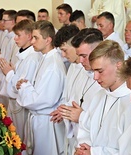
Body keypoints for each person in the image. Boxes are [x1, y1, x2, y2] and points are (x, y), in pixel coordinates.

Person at [75, 40, 131, 155]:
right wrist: (82, 149)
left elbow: (130, 150)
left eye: (100, 71)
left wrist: (94, 152)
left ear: (118, 66)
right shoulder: (99, 95)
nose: (95, 77)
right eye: (94, 71)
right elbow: (85, 128)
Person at [16, 20, 66, 155]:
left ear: (48, 40)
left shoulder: (53, 65)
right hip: (38, 120)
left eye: (35, 38)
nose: (32, 41)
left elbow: (42, 100)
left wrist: (25, 87)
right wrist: (26, 84)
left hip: (46, 123)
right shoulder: (45, 58)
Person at [56, 28, 103, 154]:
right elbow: (74, 99)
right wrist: (66, 110)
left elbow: (105, 122)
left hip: (93, 146)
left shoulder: (105, 82)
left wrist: (81, 117)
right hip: (78, 139)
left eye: (84, 56)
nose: (80, 61)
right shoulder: (83, 71)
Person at [0, 19, 41, 140]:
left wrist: (9, 72)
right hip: (15, 105)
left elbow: (22, 85)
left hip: (22, 108)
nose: (15, 39)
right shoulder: (23, 54)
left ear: (28, 36)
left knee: (21, 139)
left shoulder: (32, 58)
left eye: (18, 35)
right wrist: (11, 71)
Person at [51, 24, 82, 154]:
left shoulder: (92, 73)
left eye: (65, 50)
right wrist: (63, 109)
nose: (63, 55)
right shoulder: (73, 66)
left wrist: (75, 113)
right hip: (71, 127)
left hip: (83, 132)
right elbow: (68, 96)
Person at [0, 9, 18, 106]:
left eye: (5, 20)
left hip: (8, 74)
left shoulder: (15, 39)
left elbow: (13, 61)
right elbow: (3, 56)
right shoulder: (6, 36)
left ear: (12, 21)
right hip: (3, 73)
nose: (2, 22)